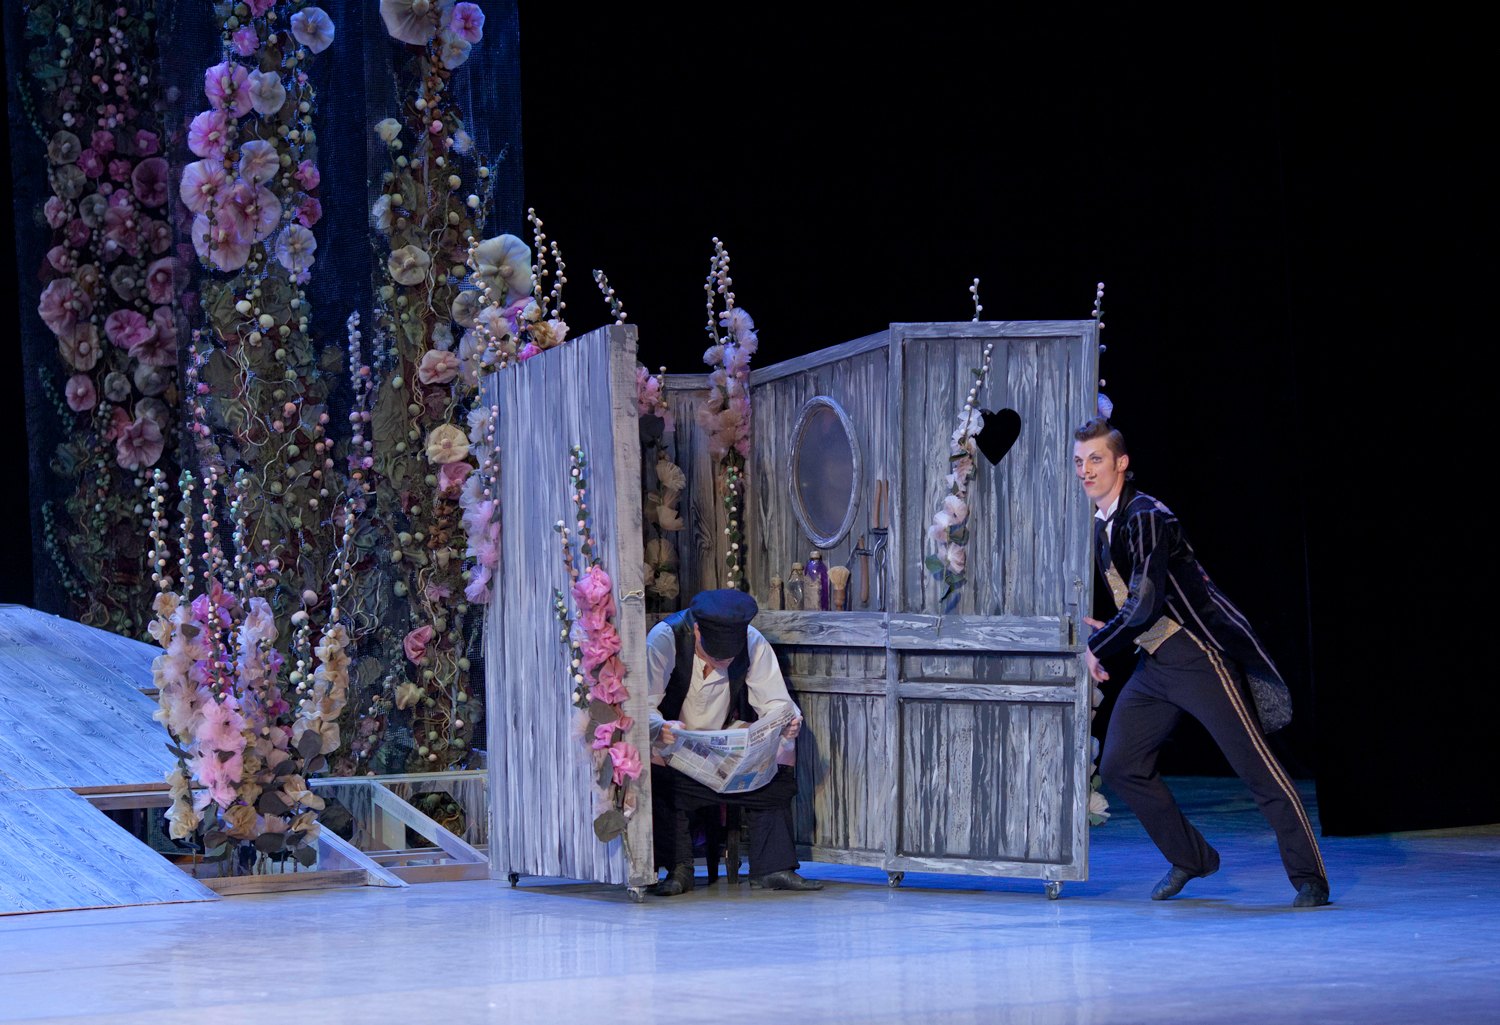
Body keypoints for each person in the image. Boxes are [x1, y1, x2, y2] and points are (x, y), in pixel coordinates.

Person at [1073, 416, 1330, 908]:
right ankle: (1191, 858)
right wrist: (1114, 634)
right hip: (1155, 662)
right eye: (1080, 461)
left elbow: (1147, 602)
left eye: (1096, 459)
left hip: (1196, 657)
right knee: (1122, 765)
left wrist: (1099, 646)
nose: (1086, 470)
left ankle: (1309, 878)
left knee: (1257, 768)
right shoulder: (1105, 523)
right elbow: (1138, 605)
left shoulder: (1145, 515)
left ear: (1121, 463)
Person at [646, 589, 823, 896]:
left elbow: (776, 702)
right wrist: (660, 727)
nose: (722, 664)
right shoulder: (665, 639)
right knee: (655, 765)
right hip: (675, 744)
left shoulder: (752, 641)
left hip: (724, 742)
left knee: (783, 752)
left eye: (728, 659)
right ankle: (678, 869)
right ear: (697, 631)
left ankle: (772, 867)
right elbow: (642, 706)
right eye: (716, 658)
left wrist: (789, 722)